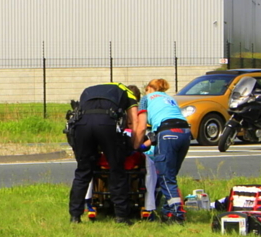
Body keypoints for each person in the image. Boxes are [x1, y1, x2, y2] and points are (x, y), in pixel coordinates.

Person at [68, 82, 139, 224]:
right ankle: (121, 216)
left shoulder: (92, 89)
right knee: (116, 169)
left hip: (82, 124)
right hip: (106, 123)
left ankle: (75, 216)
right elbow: (134, 121)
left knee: (83, 171)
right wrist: (133, 145)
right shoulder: (128, 93)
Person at [136, 79, 190, 223]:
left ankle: (177, 214)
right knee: (171, 175)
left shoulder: (146, 99)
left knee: (165, 176)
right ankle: (167, 210)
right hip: (185, 132)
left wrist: (136, 146)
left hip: (167, 133)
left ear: (149, 88)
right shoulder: (170, 99)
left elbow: (142, 126)